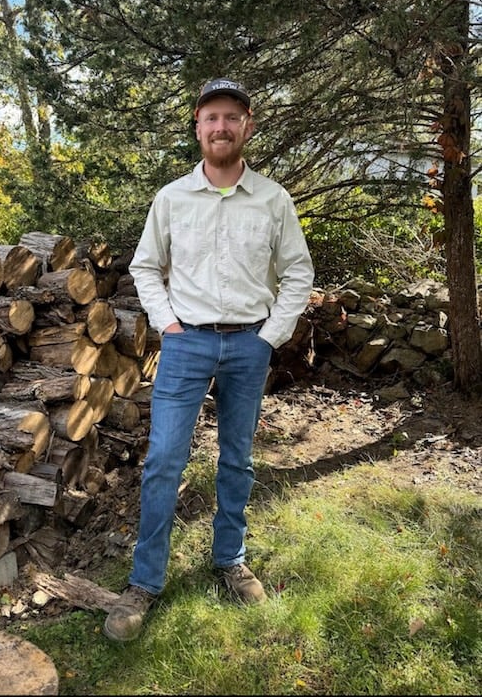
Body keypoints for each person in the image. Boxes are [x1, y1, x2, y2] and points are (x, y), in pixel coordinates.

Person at [103, 78, 314, 642]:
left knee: (237, 459)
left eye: (231, 117)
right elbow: (146, 266)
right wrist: (167, 323)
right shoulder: (172, 198)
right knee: (164, 460)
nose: (220, 127)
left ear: (247, 124)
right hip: (186, 343)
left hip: (249, 344)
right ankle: (144, 582)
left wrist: (270, 335)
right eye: (210, 117)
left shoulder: (273, 199)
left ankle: (230, 559)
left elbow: (298, 272)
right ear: (197, 126)